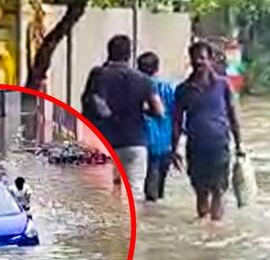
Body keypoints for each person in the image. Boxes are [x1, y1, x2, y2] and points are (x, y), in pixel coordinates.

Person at [81, 34, 164, 191]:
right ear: (129, 54)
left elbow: (89, 105)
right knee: (134, 193)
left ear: (109, 51)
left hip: (104, 142)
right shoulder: (143, 79)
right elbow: (159, 111)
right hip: (134, 142)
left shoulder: (98, 75)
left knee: (103, 193)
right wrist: (144, 111)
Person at [172, 41, 243, 221]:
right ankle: (203, 225)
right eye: (195, 58)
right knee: (201, 191)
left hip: (219, 144)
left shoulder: (223, 85)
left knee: (218, 190)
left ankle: (215, 229)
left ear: (210, 60)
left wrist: (239, 144)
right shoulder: (183, 90)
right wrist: (174, 149)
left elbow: (233, 115)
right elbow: (176, 121)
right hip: (196, 146)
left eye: (202, 58)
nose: (198, 62)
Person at [137, 51, 175, 202]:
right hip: (166, 142)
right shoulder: (168, 88)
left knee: (149, 191)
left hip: (147, 140)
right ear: (157, 68)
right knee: (160, 188)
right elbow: (176, 114)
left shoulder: (139, 88)